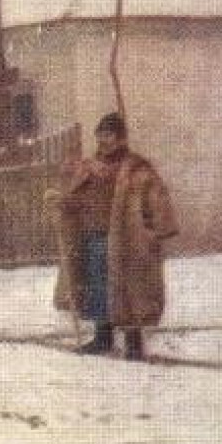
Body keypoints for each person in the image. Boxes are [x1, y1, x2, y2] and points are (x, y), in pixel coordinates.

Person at [54, 112, 177, 361]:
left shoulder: (136, 168)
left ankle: (133, 343)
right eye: (100, 134)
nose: (103, 140)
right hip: (95, 238)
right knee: (99, 288)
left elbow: (157, 197)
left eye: (108, 134)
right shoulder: (88, 168)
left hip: (127, 240)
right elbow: (75, 198)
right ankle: (103, 337)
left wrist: (159, 228)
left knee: (130, 289)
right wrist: (61, 202)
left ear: (121, 138)